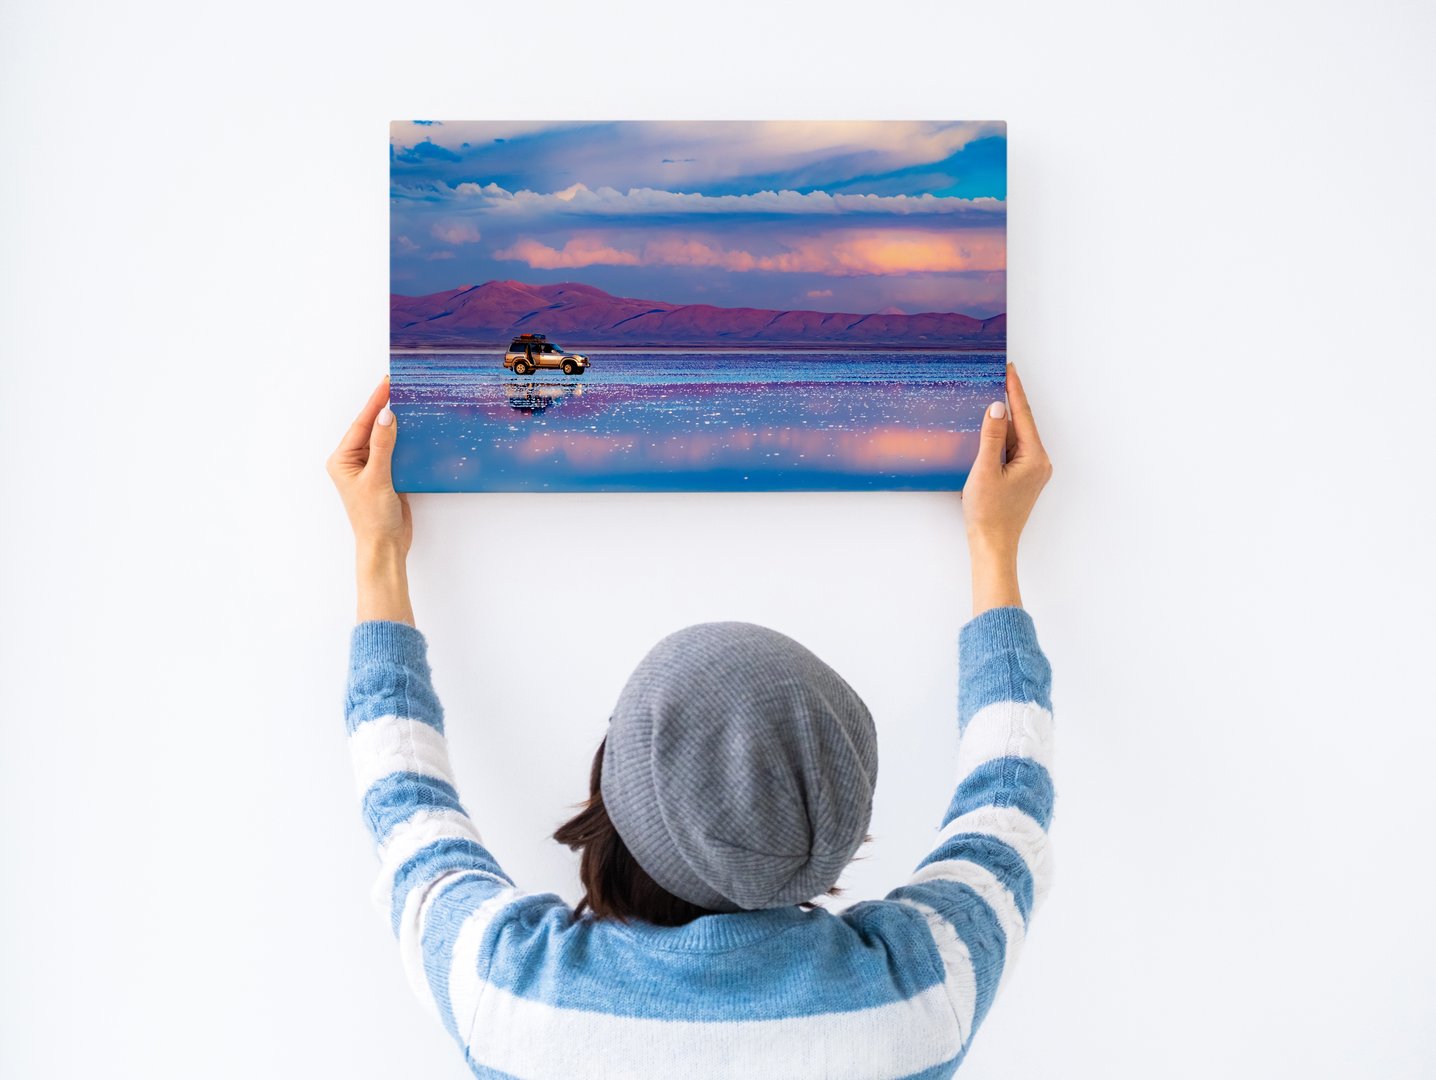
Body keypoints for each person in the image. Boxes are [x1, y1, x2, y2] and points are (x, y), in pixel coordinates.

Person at [325, 363, 1054, 1079]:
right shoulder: (918, 1002)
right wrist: (993, 542)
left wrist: (378, 548)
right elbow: (1008, 799)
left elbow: (405, 800)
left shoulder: (512, 999)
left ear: (612, 797)